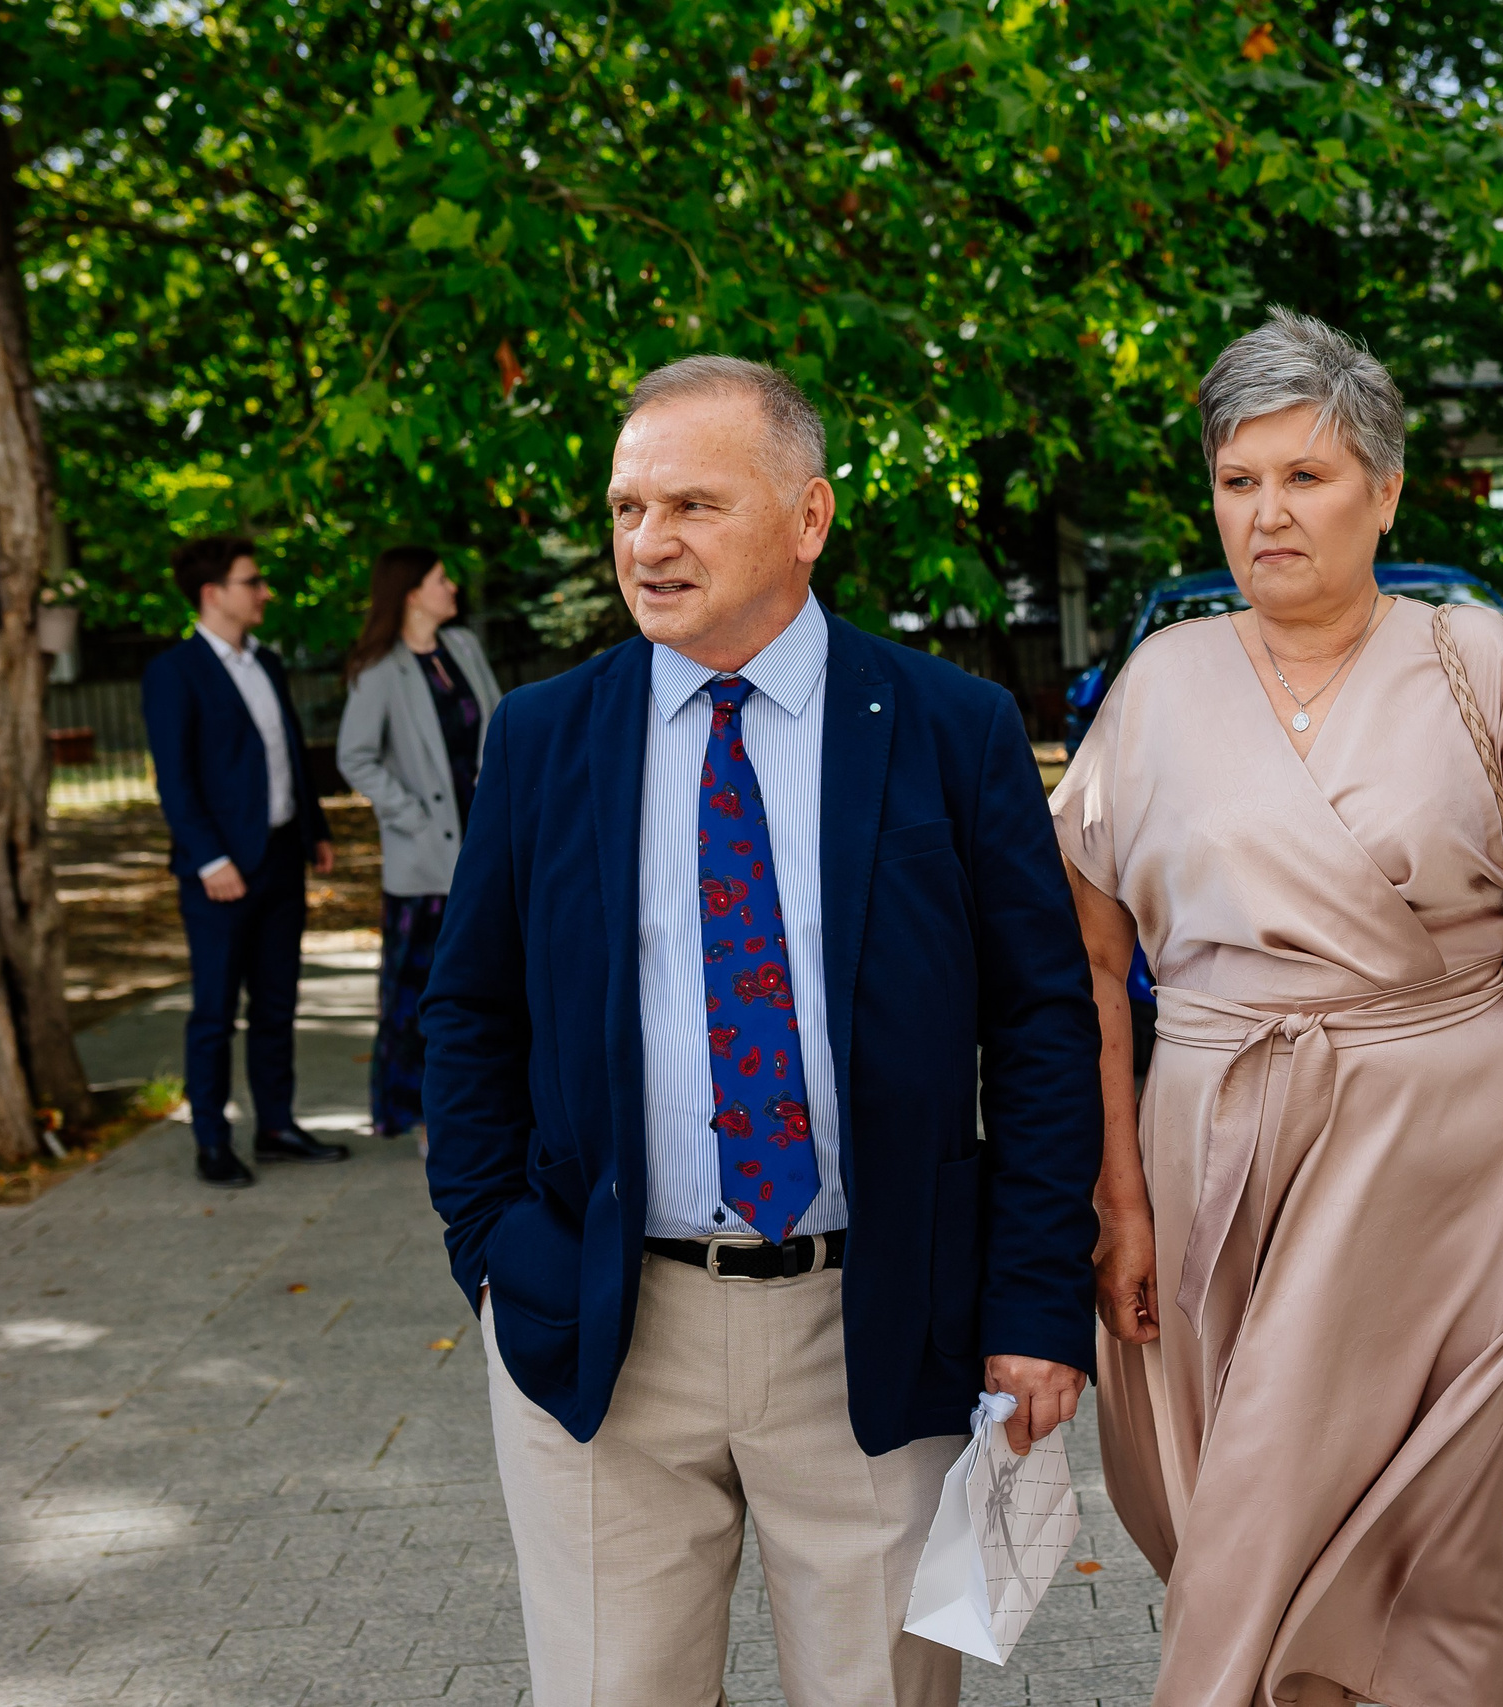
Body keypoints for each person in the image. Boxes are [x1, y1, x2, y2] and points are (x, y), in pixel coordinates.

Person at [421, 355, 1101, 1707]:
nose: (647, 541)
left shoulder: (948, 728)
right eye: (625, 507)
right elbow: (468, 1005)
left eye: (691, 503)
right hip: (603, 1323)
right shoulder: (548, 737)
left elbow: (1039, 1025)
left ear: (808, 516)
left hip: (879, 1316)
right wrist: (496, 1248)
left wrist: (1033, 1304)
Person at [1052, 309, 1503, 1707]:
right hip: (1215, 1145)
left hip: (1442, 1143)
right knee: (1224, 1495)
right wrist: (1117, 1195)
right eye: (1238, 480)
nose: (1267, 512)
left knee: (1420, 1531)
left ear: (1382, 491)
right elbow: (1085, 967)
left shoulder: (1471, 656)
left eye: (1305, 477)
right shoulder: (1156, 684)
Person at [142, 536, 346, 1189]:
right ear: (213, 594)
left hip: (282, 857)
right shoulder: (174, 672)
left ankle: (277, 1125)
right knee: (213, 1012)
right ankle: (211, 1139)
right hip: (220, 873)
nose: (263, 592)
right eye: (251, 581)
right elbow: (175, 781)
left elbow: (287, 748)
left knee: (278, 1002)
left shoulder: (269, 662)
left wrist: (315, 829)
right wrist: (208, 859)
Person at [336, 547, 504, 1142]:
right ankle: (399, 1106)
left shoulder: (463, 648)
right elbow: (354, 755)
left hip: (481, 842)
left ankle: (472, 1098)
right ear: (411, 592)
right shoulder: (380, 668)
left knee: (482, 983)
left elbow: (497, 722)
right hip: (424, 858)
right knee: (414, 992)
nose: (452, 586)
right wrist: (407, 813)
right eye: (440, 578)